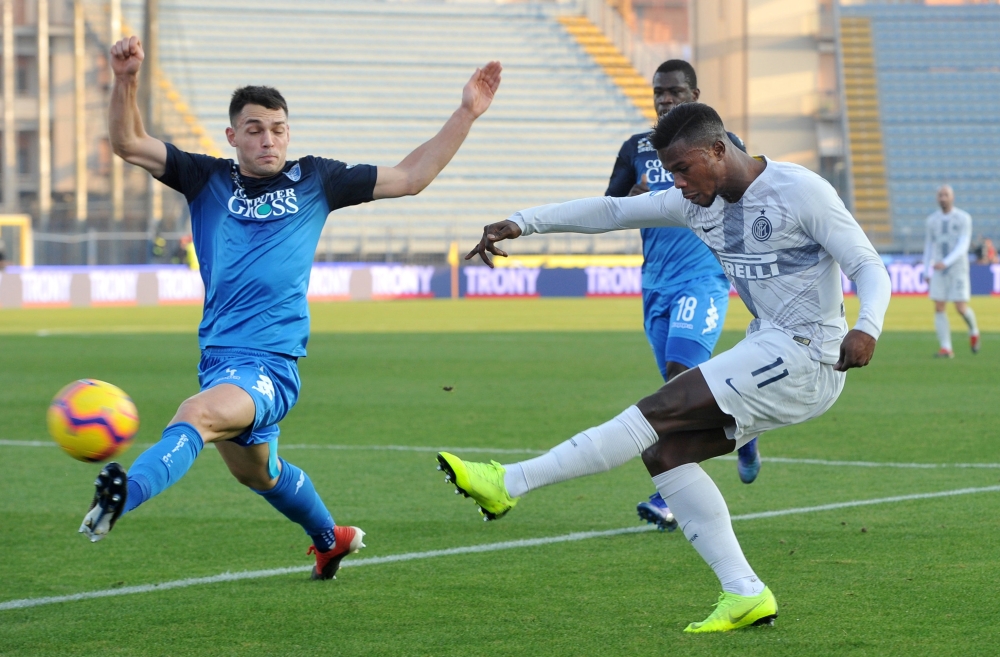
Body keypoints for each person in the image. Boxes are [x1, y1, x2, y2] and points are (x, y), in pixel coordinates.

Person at [446, 103, 890, 632]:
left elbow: (866, 264)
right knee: (664, 452)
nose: (676, 183)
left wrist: (868, 326)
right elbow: (612, 212)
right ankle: (744, 592)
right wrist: (524, 221)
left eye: (682, 169)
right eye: (670, 172)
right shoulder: (695, 202)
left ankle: (509, 482)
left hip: (808, 353)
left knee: (657, 410)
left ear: (718, 150)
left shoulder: (800, 191)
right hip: (771, 345)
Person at [79, 35, 501, 581]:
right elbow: (129, 142)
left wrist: (466, 113)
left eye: (278, 129)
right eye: (254, 129)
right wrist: (126, 79)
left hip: (270, 364)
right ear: (233, 136)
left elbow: (411, 177)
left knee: (195, 416)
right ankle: (330, 540)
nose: (268, 139)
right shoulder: (206, 178)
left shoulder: (316, 179)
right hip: (219, 360)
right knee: (260, 475)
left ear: (288, 133)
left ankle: (121, 497)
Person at [604, 60, 759, 532]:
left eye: (674, 91)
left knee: (678, 377)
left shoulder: (722, 145)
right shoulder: (636, 148)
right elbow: (609, 206)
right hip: (655, 284)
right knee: (681, 390)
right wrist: (632, 200)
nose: (665, 99)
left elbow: (746, 200)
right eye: (658, 92)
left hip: (702, 277)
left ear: (694, 95)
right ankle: (743, 426)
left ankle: (666, 494)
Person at [923, 184, 979, 357]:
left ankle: (974, 330)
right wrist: (926, 270)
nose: (943, 198)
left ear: (952, 197)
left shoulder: (963, 218)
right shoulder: (932, 221)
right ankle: (946, 348)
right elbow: (929, 245)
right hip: (939, 269)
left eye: (946, 195)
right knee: (939, 306)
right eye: (940, 195)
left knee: (960, 307)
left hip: (958, 268)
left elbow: (963, 245)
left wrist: (945, 262)